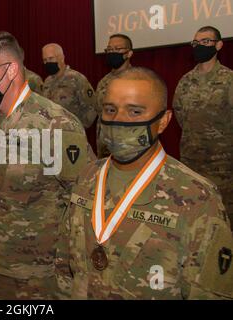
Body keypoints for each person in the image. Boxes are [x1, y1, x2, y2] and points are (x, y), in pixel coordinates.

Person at [64, 67, 233, 299]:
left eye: (134, 112)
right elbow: (66, 268)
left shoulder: (197, 197)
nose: (118, 120)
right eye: (110, 109)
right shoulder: (86, 177)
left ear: (163, 121)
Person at [0, 31, 95, 299]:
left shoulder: (55, 123)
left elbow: (87, 197)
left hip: (40, 276)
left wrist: (73, 272)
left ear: (11, 70)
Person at [173, 26, 233, 228]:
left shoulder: (229, 79)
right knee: (194, 217)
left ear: (219, 45)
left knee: (224, 219)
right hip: (191, 162)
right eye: (196, 42)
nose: (199, 46)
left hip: (223, 166)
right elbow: (181, 115)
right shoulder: (185, 81)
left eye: (206, 42)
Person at [95, 34, 134, 158]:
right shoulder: (103, 82)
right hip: (104, 148)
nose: (113, 53)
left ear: (129, 54)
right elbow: (98, 111)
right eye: (110, 50)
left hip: (128, 146)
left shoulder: (138, 81)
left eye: (118, 49)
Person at [42, 43, 97, 129]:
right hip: (52, 133)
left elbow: (92, 107)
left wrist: (78, 128)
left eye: (51, 58)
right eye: (45, 60)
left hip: (71, 134)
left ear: (62, 58)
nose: (47, 62)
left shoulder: (76, 79)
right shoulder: (47, 81)